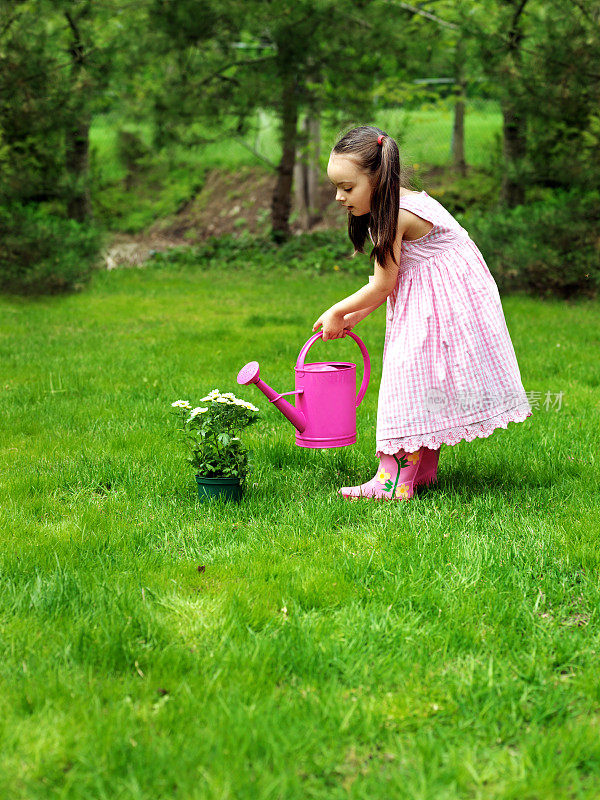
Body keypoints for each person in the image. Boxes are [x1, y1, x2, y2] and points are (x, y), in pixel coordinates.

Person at [312, 125, 532, 501]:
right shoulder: (402, 200)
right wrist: (358, 315)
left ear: (377, 178)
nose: (339, 197)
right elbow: (393, 278)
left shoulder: (394, 214)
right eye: (337, 187)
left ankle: (392, 480)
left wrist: (337, 310)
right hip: (451, 298)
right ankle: (421, 471)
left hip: (446, 304)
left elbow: (382, 284)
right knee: (422, 378)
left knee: (406, 379)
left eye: (348, 188)